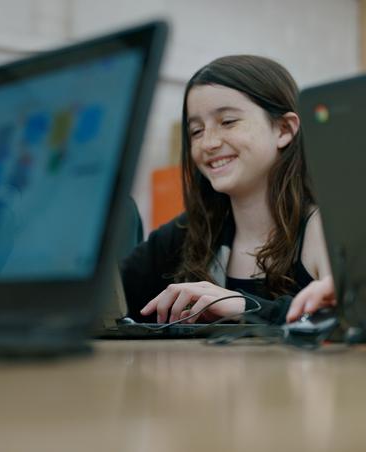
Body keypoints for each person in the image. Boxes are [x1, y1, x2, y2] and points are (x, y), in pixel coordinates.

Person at [121, 55, 336, 325]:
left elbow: (350, 322)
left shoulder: (325, 229)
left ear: (284, 129)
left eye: (228, 121)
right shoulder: (187, 233)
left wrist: (245, 306)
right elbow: (106, 298)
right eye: (196, 131)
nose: (208, 143)